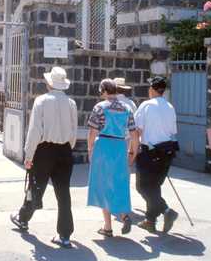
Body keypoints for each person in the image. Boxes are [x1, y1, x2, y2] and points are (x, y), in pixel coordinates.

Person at [10, 66, 78, 248]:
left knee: (36, 186)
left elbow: (34, 131)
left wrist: (29, 155)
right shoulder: (71, 103)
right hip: (64, 150)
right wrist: (67, 147)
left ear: (49, 84)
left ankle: (23, 218)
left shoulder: (41, 101)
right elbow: (74, 131)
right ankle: (65, 234)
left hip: (44, 150)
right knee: (63, 193)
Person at [87, 79, 139, 237]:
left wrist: (90, 149)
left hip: (103, 146)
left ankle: (108, 226)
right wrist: (132, 153)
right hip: (120, 146)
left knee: (104, 185)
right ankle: (123, 214)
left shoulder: (100, 107)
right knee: (119, 183)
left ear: (104, 91)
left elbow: (92, 132)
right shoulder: (127, 108)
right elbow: (134, 134)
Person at [133, 76, 179, 234]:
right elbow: (173, 131)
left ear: (152, 89)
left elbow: (137, 131)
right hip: (167, 151)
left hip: (149, 152)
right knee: (154, 187)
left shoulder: (146, 105)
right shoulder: (170, 107)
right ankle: (150, 221)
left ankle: (167, 211)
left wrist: (132, 150)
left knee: (143, 187)